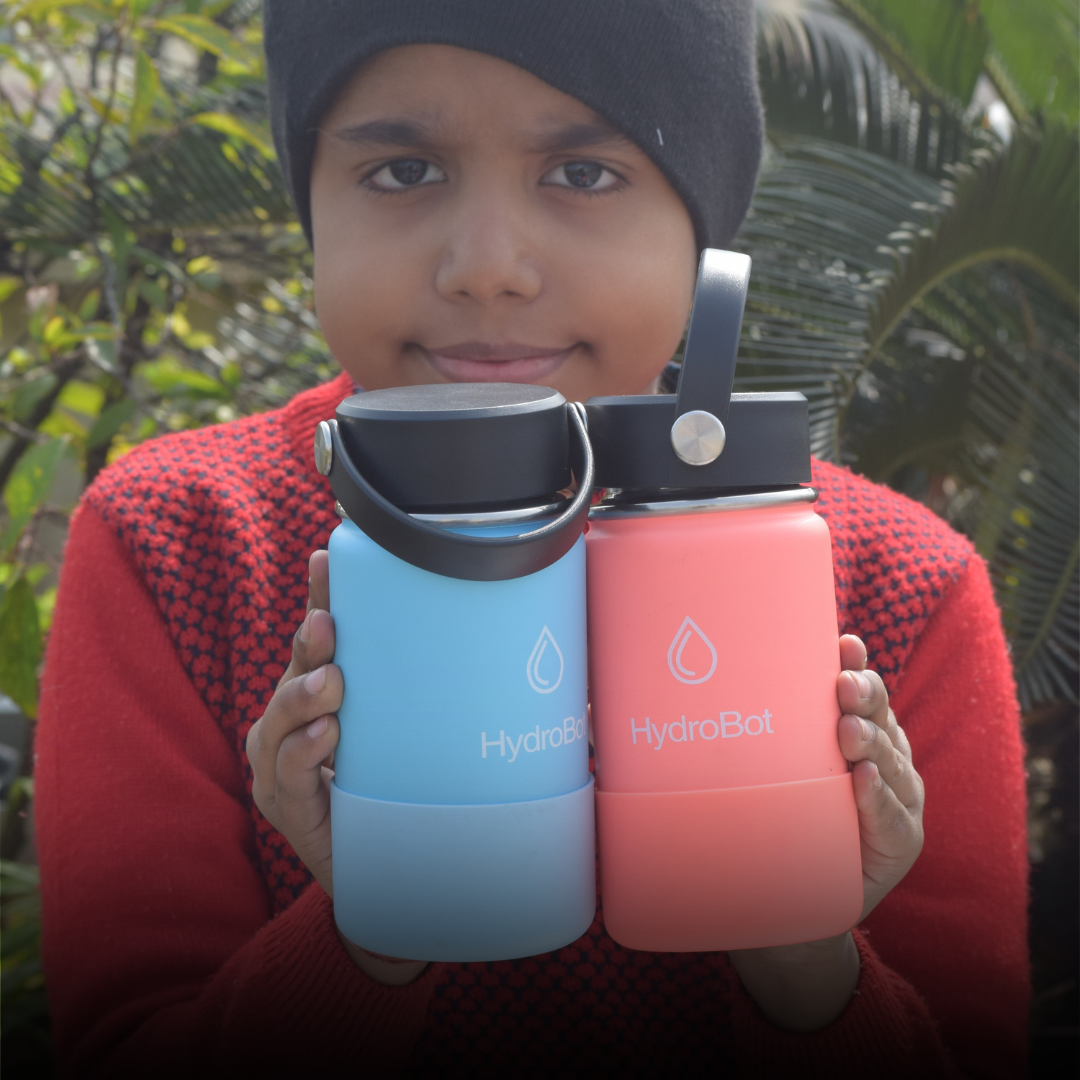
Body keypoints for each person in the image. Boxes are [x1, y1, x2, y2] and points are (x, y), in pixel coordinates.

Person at [36, 2, 1029, 1076]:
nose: (488, 267)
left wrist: (802, 954)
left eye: (585, 173)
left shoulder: (896, 587)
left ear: (705, 229)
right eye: (405, 171)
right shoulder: (183, 542)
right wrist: (378, 921)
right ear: (311, 205)